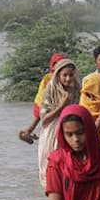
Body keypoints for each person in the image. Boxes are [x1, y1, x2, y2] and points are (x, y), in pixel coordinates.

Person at [37, 58, 81, 188]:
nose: (68, 79)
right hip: (52, 131)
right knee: (51, 165)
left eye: (70, 75)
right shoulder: (50, 91)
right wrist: (62, 106)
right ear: (58, 75)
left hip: (71, 130)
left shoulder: (77, 90)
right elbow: (44, 118)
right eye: (65, 75)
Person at [18, 53, 65, 145]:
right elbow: (44, 93)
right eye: (56, 64)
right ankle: (28, 131)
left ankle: (28, 131)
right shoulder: (49, 78)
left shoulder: (58, 76)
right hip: (47, 104)